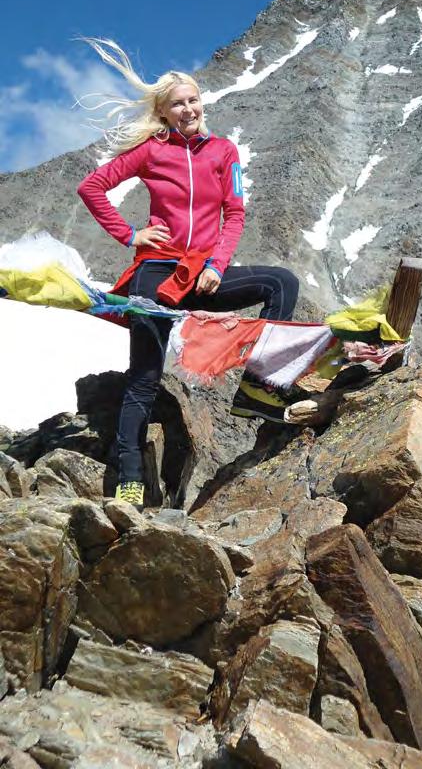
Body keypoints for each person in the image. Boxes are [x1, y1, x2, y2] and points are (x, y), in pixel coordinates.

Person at [77, 39, 299, 507]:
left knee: (282, 283)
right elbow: (92, 186)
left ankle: (260, 389)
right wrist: (129, 234)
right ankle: (130, 480)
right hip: (156, 275)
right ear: (164, 113)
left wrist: (217, 265)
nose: (188, 109)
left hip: (204, 275)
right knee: (144, 378)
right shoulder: (151, 151)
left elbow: (234, 215)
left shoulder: (224, 151)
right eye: (178, 104)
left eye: (193, 100)